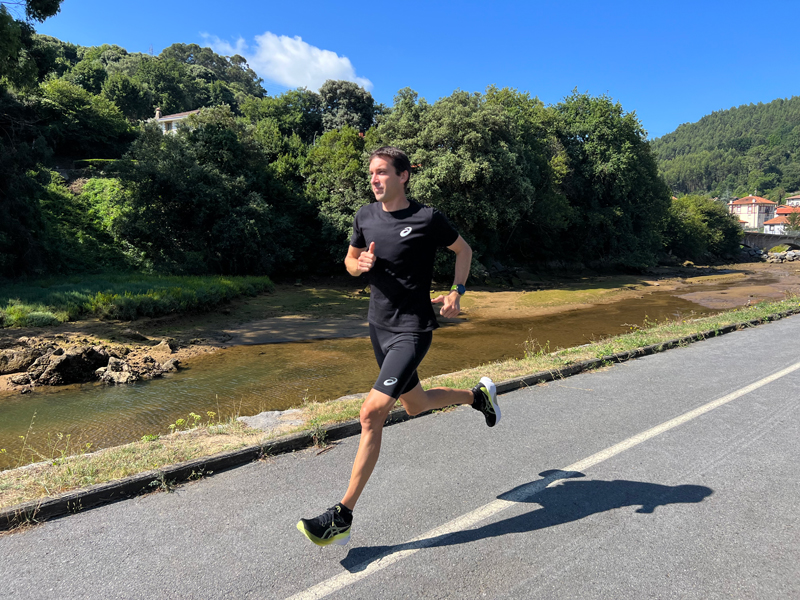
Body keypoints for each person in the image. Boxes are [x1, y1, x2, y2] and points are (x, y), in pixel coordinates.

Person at [296, 146, 502, 547]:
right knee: (416, 404)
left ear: (403, 176)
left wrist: (457, 291)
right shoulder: (365, 215)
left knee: (371, 414)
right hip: (378, 326)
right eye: (371, 173)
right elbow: (350, 260)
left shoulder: (427, 218)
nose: (374, 179)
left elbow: (464, 250)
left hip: (413, 329)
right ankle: (478, 397)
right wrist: (360, 267)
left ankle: (342, 515)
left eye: (381, 172)